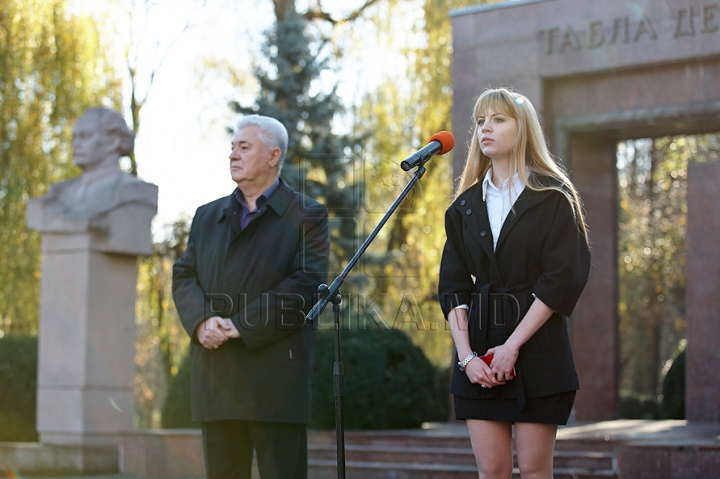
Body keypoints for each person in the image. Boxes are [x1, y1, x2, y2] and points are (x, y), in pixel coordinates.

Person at [438, 88, 591, 479]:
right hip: (478, 353)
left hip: (538, 350)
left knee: (536, 472)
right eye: (480, 122)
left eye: (498, 119)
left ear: (522, 128)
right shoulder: (463, 206)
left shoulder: (553, 197)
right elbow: (453, 287)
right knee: (492, 473)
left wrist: (512, 347)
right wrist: (467, 357)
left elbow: (562, 279)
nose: (485, 128)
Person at [172, 114, 330, 479]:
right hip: (217, 381)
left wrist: (239, 326)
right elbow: (184, 274)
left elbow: (306, 284)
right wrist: (202, 321)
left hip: (276, 385)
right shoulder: (206, 216)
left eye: (244, 147)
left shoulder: (307, 215)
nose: (233, 155)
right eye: (232, 147)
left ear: (273, 156)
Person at [26, 107, 157, 252]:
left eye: (85, 136)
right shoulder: (60, 192)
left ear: (113, 141)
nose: (75, 144)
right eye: (75, 137)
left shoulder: (135, 191)